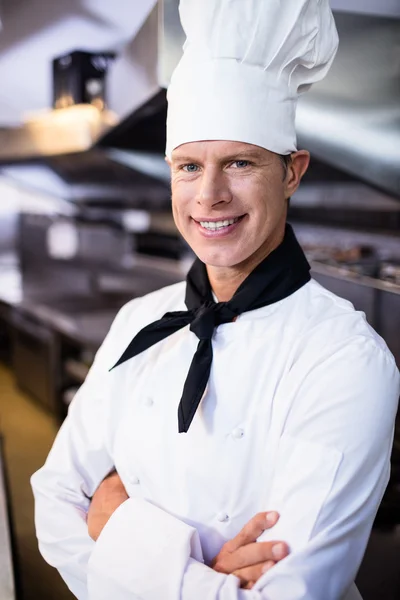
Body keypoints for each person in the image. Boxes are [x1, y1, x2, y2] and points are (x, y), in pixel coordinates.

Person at [31, 1, 400, 599]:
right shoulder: (141, 320)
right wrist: (209, 578)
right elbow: (53, 500)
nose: (210, 195)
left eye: (239, 162)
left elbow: (292, 593)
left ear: (291, 172)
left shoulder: (345, 358)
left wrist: (115, 528)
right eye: (188, 166)